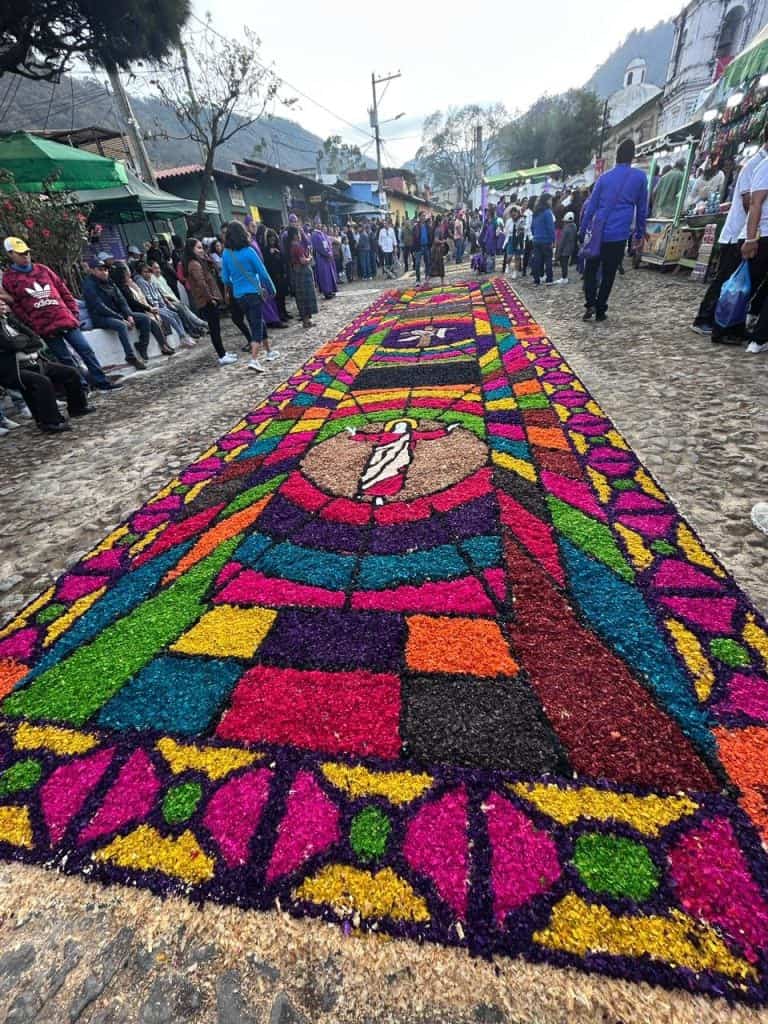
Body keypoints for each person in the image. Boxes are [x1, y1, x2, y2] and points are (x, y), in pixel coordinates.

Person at [1, 238, 120, 391]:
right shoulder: (9, 278)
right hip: (43, 324)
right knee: (65, 359)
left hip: (64, 317)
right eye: (21, 254)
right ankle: (81, 388)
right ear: (11, 254)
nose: (26, 256)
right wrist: (33, 323)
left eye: (27, 252)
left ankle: (102, 382)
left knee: (85, 350)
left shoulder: (43, 270)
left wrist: (73, 312)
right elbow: (16, 305)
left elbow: (63, 290)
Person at [691, 133, 768, 338]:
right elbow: (748, 200)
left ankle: (723, 319)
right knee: (727, 280)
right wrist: (751, 234)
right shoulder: (755, 164)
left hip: (744, 231)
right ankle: (705, 318)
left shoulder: (756, 163)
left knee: (734, 281)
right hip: (737, 232)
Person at [0, 298, 93, 433]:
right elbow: (10, 344)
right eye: (0, 304)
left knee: (70, 372)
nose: (3, 305)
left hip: (35, 361)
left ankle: (77, 408)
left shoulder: (10, 320)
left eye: (3, 303)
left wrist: (22, 342)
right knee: (42, 382)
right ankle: (50, 423)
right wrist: (24, 341)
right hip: (13, 369)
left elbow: (36, 339)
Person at [580, 138, 648, 323]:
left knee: (591, 270)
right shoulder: (640, 177)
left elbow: (591, 207)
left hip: (599, 231)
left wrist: (583, 229)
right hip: (619, 234)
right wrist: (639, 234)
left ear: (617, 156)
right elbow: (642, 209)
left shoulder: (604, 178)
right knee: (609, 274)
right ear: (632, 157)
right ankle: (601, 309)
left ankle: (590, 303)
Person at [221, 220, 279, 374]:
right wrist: (272, 289)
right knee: (256, 325)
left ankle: (269, 351)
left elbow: (225, 278)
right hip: (253, 292)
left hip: (239, 295)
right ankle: (254, 359)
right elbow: (263, 272)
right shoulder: (249, 251)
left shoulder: (226, 254)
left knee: (257, 320)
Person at [183, 237, 237, 366]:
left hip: (208, 299)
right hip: (206, 301)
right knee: (214, 329)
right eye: (199, 248)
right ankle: (222, 355)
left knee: (216, 328)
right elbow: (201, 283)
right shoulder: (194, 264)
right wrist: (210, 299)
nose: (202, 250)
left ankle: (223, 352)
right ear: (192, 249)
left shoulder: (197, 262)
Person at [110, 263, 175, 355]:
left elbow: (142, 296)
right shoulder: (121, 287)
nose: (129, 272)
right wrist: (148, 308)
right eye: (126, 270)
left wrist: (150, 306)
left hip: (143, 308)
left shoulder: (131, 283)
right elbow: (132, 301)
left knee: (162, 316)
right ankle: (161, 346)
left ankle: (165, 343)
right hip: (134, 310)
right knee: (152, 321)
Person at [739, 155, 768, 354]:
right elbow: (755, 203)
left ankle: (754, 326)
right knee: (752, 282)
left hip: (762, 235)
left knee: (758, 283)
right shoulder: (764, 166)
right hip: (763, 235)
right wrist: (750, 239)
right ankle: (756, 336)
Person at [133, 262, 196, 350]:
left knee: (175, 314)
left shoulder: (151, 280)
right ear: (140, 273)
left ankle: (183, 336)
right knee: (170, 317)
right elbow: (148, 297)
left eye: (149, 272)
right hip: (152, 308)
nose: (148, 274)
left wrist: (163, 305)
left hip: (159, 306)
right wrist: (156, 307)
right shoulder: (141, 282)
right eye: (145, 272)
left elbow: (158, 295)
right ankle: (183, 336)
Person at [148, 261, 207, 338]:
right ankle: (195, 328)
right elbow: (162, 295)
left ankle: (199, 326)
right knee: (180, 309)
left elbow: (169, 291)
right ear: (151, 269)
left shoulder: (161, 277)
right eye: (155, 268)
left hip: (172, 299)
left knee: (184, 308)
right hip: (166, 302)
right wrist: (171, 301)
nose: (158, 270)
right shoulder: (152, 279)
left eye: (158, 268)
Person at [287, 225, 318, 329]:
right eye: (299, 233)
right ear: (295, 235)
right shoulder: (297, 246)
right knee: (305, 297)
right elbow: (303, 260)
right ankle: (306, 320)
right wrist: (310, 258)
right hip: (303, 273)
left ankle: (306, 320)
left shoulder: (291, 246)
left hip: (297, 273)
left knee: (301, 298)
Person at [263, 229, 292, 324]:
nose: (272, 240)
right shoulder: (266, 250)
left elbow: (283, 260)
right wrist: (270, 254)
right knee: (278, 297)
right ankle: (280, 314)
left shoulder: (278, 247)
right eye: (270, 239)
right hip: (274, 276)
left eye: (273, 238)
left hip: (281, 274)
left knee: (283, 296)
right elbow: (267, 264)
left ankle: (284, 312)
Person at [530, 194, 555, 285]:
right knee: (548, 260)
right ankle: (549, 279)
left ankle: (536, 279)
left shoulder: (536, 213)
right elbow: (550, 227)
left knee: (537, 260)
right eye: (550, 200)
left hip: (536, 240)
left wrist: (535, 235)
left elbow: (532, 227)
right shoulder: (547, 212)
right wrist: (553, 239)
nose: (551, 202)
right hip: (546, 240)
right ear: (547, 201)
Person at [311, 223, 338, 299]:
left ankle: (330, 290)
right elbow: (319, 247)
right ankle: (326, 292)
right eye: (318, 223)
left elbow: (327, 244)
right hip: (321, 258)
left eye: (320, 223)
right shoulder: (315, 235)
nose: (319, 225)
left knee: (329, 275)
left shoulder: (322, 234)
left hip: (327, 257)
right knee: (324, 275)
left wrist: (329, 252)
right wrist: (326, 253)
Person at [556, 211, 578, 284]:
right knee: (565, 263)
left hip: (564, 249)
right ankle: (565, 277)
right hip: (571, 248)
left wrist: (558, 253)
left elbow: (562, 242)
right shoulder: (574, 226)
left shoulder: (566, 229)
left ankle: (564, 277)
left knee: (564, 264)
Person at [502, 207, 523, 277]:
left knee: (517, 257)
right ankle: (508, 265)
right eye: (512, 215)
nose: (514, 216)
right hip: (511, 238)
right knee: (509, 256)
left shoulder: (521, 220)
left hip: (519, 239)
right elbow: (505, 231)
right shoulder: (509, 221)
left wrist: (520, 230)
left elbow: (524, 229)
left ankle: (515, 271)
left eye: (515, 214)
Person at [413, 213, 432, 283]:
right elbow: (414, 238)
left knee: (427, 262)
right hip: (419, 247)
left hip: (426, 246)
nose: (424, 217)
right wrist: (413, 250)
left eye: (424, 216)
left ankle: (427, 277)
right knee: (417, 264)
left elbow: (430, 235)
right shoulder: (416, 227)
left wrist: (430, 244)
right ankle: (418, 279)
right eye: (422, 216)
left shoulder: (428, 226)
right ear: (419, 217)